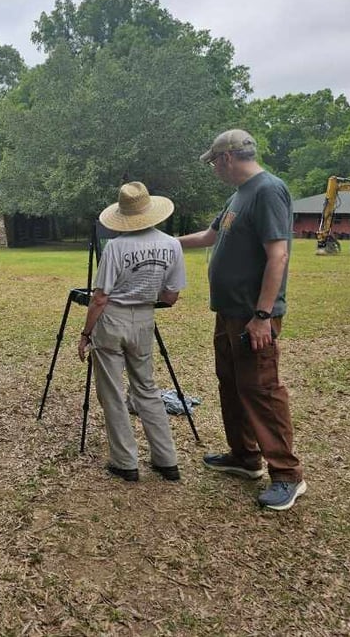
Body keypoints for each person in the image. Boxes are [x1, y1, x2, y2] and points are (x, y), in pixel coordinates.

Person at [178, 129, 306, 511]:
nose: (214, 169)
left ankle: (287, 475)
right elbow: (207, 236)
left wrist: (263, 315)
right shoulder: (238, 197)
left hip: (253, 316)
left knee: (261, 389)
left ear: (227, 157)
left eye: (214, 162)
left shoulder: (268, 190)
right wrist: (160, 239)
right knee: (232, 384)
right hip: (229, 313)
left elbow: (277, 256)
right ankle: (245, 457)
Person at [78, 182, 186, 482]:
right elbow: (171, 296)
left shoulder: (115, 247)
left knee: (112, 392)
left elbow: (100, 297)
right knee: (147, 390)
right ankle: (166, 460)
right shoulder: (172, 245)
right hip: (144, 320)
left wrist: (86, 333)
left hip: (113, 320)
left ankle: (125, 462)